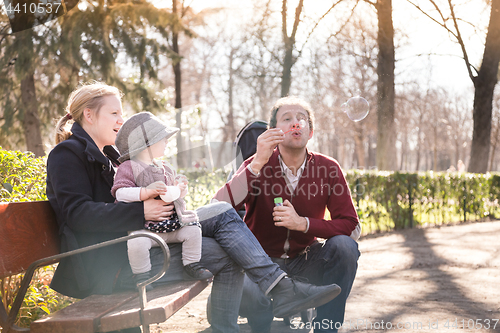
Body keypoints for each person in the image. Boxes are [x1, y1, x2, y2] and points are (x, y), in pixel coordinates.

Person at [46, 83, 343, 333]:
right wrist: (143, 211)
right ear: (88, 114)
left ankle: (267, 299)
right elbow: (77, 214)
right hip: (112, 266)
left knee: (223, 217)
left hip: (142, 245)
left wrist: (169, 198)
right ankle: (281, 291)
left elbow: (133, 199)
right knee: (227, 234)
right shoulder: (68, 154)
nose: (120, 120)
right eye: (114, 113)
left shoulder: (111, 157)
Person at [214, 96, 361, 333]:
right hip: (259, 262)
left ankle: (326, 329)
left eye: (302, 119)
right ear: (274, 131)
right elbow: (219, 206)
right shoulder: (257, 164)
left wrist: (303, 224)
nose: (296, 124)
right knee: (246, 291)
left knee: (345, 247)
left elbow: (350, 225)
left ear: (310, 132)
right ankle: (262, 326)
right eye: (287, 118)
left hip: (306, 260)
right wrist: (257, 163)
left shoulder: (328, 168)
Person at [111, 112, 213, 287]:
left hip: (171, 225)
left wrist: (180, 189)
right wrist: (144, 192)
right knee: (136, 241)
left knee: (193, 231)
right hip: (147, 229)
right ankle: (142, 275)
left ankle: (191, 265)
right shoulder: (129, 168)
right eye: (162, 139)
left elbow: (173, 194)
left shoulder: (165, 167)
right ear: (145, 145)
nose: (167, 142)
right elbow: (120, 193)